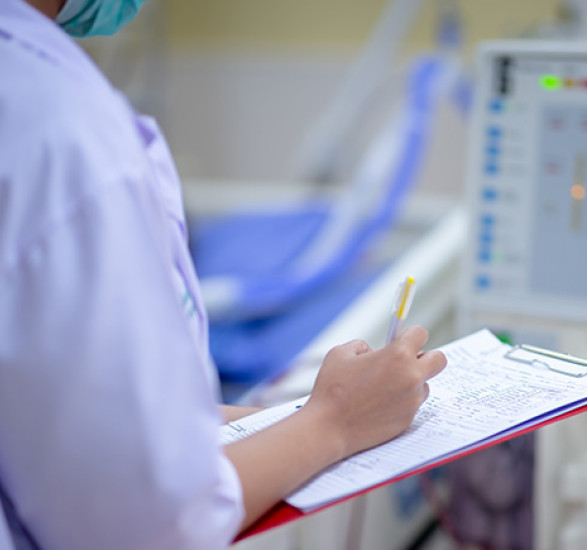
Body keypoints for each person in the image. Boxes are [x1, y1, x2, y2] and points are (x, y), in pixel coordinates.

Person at [0, 0, 447, 548]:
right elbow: (151, 524)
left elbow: (62, 412)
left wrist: (303, 414)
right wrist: (334, 422)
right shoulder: (60, 132)